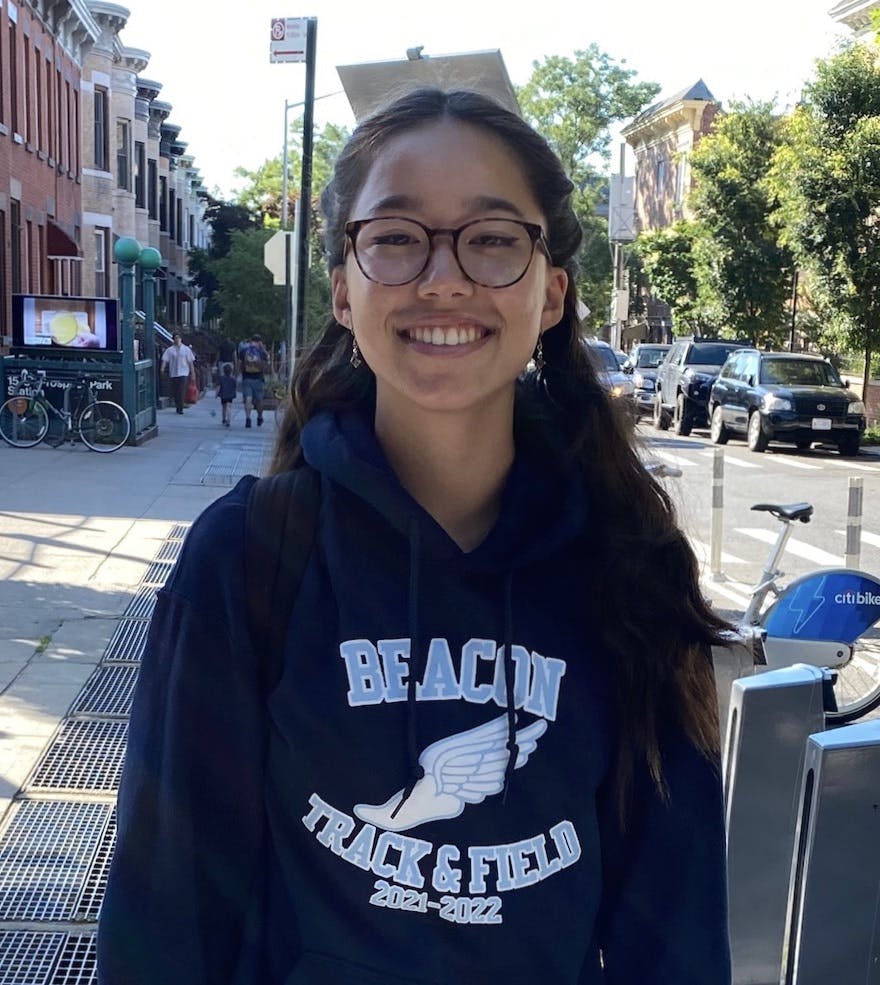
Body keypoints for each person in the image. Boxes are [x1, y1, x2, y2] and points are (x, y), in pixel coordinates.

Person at [98, 88, 731, 984]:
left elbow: (676, 931)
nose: (444, 277)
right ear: (344, 292)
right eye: (395, 238)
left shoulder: (632, 568)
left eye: (493, 239)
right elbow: (163, 918)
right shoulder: (247, 558)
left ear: (551, 293)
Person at [238, 332, 269, 427]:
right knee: (259, 400)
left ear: (251, 340)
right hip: (258, 378)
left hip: (246, 378)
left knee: (248, 399)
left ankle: (248, 418)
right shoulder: (261, 352)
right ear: (260, 342)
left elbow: (239, 364)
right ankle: (259, 417)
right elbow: (266, 362)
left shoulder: (244, 350)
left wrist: (241, 373)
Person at [160, 333, 195, 414]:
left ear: (181, 339)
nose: (177, 339)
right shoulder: (170, 350)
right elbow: (165, 360)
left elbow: (190, 362)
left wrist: (193, 373)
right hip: (174, 373)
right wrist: (162, 368)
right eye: (175, 338)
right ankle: (177, 404)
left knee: (181, 390)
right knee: (175, 391)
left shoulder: (186, 349)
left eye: (178, 338)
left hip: (184, 372)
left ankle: (180, 407)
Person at [216, 362, 237, 427]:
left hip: (223, 394)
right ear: (231, 371)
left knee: (224, 407)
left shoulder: (221, 378)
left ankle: (223, 419)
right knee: (229, 407)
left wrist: (216, 394)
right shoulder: (233, 379)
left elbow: (218, 386)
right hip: (230, 395)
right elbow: (235, 386)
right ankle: (229, 420)